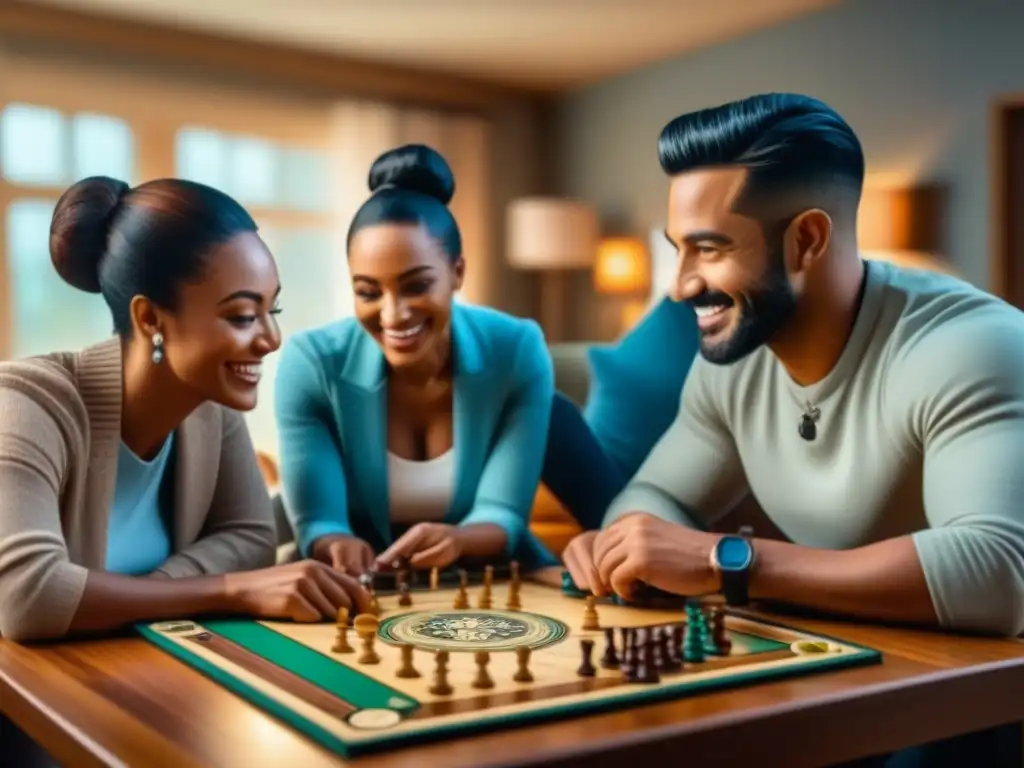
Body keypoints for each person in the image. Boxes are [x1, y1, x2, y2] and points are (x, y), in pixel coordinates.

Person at [562, 93, 1024, 641]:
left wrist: (726, 561)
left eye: (709, 249)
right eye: (678, 250)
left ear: (807, 240)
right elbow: (658, 498)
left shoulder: (971, 345)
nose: (680, 285)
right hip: (850, 666)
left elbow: (1001, 575)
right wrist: (627, 548)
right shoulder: (734, 356)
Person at [0, 176, 372, 646]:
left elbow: (251, 537)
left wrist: (148, 592)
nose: (271, 339)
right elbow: (28, 597)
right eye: (241, 316)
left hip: (138, 674)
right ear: (150, 318)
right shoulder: (23, 405)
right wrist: (228, 590)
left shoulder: (210, 405)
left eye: (271, 310)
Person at [275, 144, 557, 575]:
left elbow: (504, 512)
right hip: (356, 591)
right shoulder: (310, 362)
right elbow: (319, 519)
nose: (393, 314)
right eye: (368, 292)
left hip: (486, 577)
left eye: (416, 285)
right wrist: (335, 540)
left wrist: (459, 539)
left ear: (458, 272)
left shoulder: (517, 347)